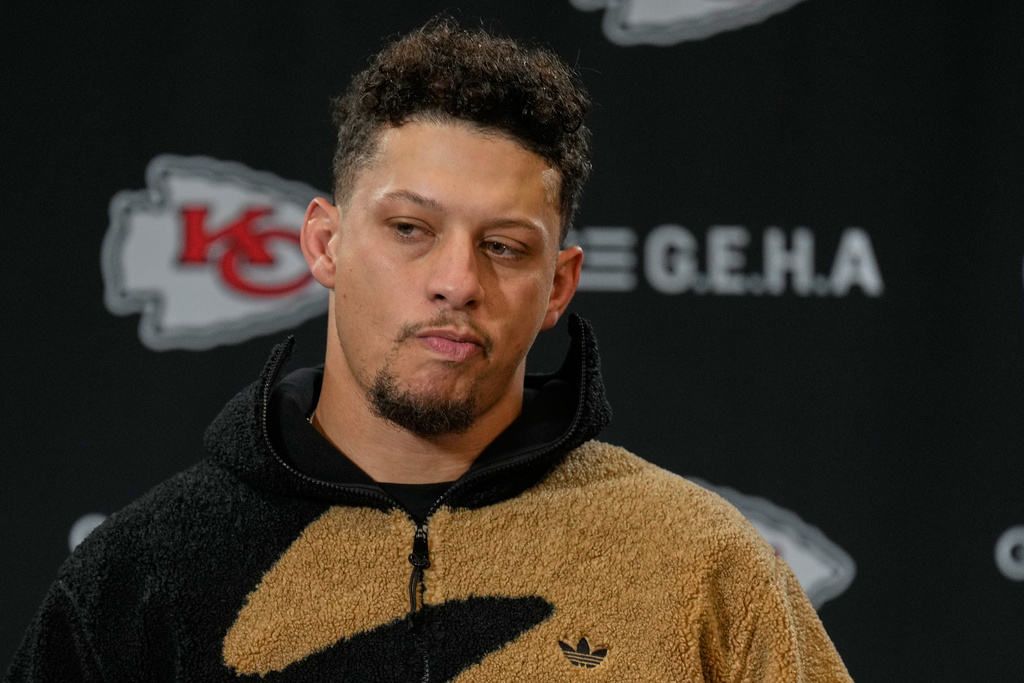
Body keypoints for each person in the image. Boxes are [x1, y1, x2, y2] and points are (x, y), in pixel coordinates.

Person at [6, 18, 853, 682]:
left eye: (505, 247)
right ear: (326, 243)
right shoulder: (144, 576)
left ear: (559, 285)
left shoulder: (699, 563)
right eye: (410, 228)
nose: (456, 281)